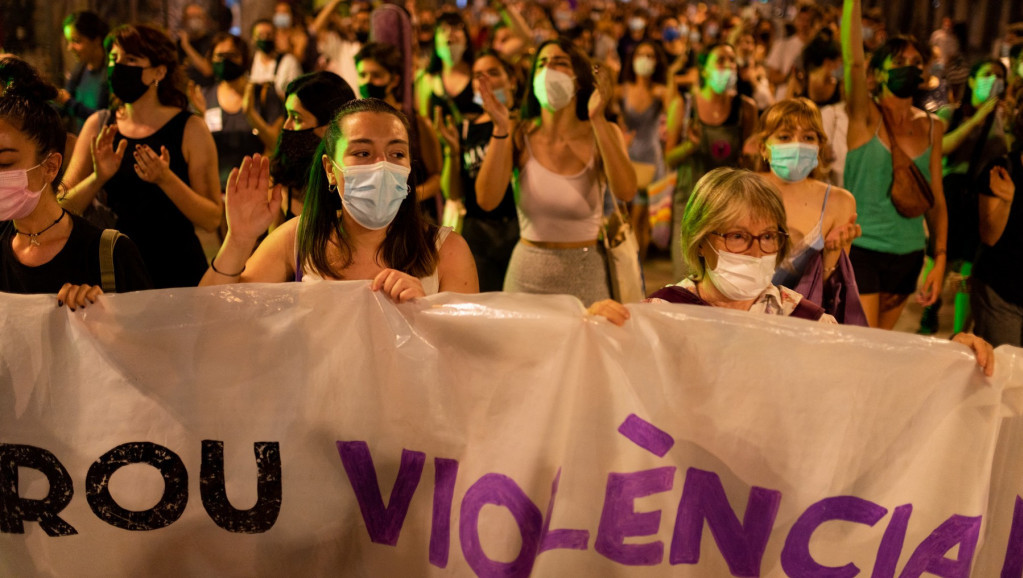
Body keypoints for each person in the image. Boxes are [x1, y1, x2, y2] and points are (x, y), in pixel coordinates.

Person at [586, 168, 995, 376]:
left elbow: (875, 371)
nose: (757, 249)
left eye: (768, 237)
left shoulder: (809, 321)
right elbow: (610, 384)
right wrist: (597, 334)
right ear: (701, 241)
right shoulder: (663, 312)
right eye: (738, 236)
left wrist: (950, 358)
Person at [199, 98, 478, 302]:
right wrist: (239, 240)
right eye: (363, 153)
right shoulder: (299, 239)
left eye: (396, 154)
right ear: (331, 169)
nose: (382, 166)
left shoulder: (447, 252)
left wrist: (426, 313)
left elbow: (466, 357)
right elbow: (213, 313)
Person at [475, 38, 637, 306]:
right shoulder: (518, 134)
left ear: (579, 79)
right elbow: (487, 199)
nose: (549, 70)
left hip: (586, 277)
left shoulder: (603, 132)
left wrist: (597, 118)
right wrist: (500, 128)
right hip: (526, 276)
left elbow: (626, 191)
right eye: (542, 64)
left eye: (560, 63)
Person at [62, 24, 222, 289]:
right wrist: (97, 178)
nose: (118, 66)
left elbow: (211, 219)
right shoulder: (99, 125)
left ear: (159, 71)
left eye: (131, 60)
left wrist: (166, 179)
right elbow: (62, 207)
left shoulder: (190, 128)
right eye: (114, 59)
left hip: (177, 273)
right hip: (113, 271)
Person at [0, 55, 151, 307]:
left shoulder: (109, 254)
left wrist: (103, 317)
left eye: (5, 163)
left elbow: (152, 338)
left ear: (50, 166)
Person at [841, 0, 949, 330]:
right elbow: (853, 62)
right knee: (863, 344)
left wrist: (939, 258)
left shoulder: (933, 126)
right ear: (878, 73)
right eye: (899, 61)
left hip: (909, 254)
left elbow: (937, 201)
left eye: (916, 62)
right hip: (862, 248)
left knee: (881, 349)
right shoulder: (864, 115)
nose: (909, 67)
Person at [754, 98, 864, 324]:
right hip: (744, 320)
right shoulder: (741, 190)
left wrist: (832, 253)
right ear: (763, 147)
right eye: (785, 136)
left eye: (808, 137)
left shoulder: (838, 202)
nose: (797, 145)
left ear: (819, 147)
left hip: (802, 328)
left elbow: (826, 293)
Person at [665, 42, 758, 279]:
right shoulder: (684, 105)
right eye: (720, 60)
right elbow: (669, 159)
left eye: (732, 61)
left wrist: (751, 155)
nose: (727, 66)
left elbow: (751, 164)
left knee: (723, 280)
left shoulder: (745, 108)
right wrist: (690, 146)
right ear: (704, 70)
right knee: (686, 278)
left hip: (729, 207)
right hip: (690, 203)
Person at [433, 50, 520, 292]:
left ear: (512, 80)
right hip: (477, 232)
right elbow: (453, 192)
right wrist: (451, 150)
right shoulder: (465, 129)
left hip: (516, 230)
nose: (484, 81)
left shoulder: (523, 126)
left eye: (493, 73)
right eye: (477, 75)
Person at [354, 42, 442, 204]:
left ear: (394, 80)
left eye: (376, 76)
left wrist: (406, 199)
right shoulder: (355, 124)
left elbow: (436, 177)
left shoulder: (416, 123)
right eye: (363, 75)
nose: (368, 82)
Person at [195, 32, 285, 189]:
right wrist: (201, 115)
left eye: (232, 55)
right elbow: (198, 150)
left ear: (244, 59)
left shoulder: (263, 93)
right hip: (217, 189)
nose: (225, 61)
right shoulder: (204, 96)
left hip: (257, 188)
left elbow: (275, 143)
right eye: (219, 56)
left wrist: (250, 114)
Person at [269, 71, 356, 225]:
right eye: (287, 115)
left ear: (331, 126)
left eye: (296, 118)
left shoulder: (354, 180)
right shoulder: (281, 179)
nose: (286, 126)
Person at [617, 39, 668, 259]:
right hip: (628, 155)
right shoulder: (623, 90)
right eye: (641, 54)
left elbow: (674, 113)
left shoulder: (660, 92)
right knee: (624, 216)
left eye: (650, 55)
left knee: (640, 217)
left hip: (650, 158)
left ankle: (638, 263)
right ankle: (627, 260)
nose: (645, 60)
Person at [972, 134, 1021, 347]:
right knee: (1001, 374)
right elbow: (989, 236)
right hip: (1001, 294)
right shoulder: (1003, 169)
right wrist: (1008, 202)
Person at [416, 12, 481, 124]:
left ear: (466, 39)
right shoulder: (426, 80)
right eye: (443, 30)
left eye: (456, 28)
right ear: (435, 41)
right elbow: (424, 124)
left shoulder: (479, 74)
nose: (450, 33)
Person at [57, 11, 110, 134]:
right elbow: (63, 104)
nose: (70, 48)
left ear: (96, 40)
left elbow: (103, 119)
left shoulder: (109, 74)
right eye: (69, 42)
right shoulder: (81, 69)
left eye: (76, 41)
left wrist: (68, 102)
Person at [248, 18, 303, 100]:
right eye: (260, 35)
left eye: (269, 34)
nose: (264, 38)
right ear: (253, 39)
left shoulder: (288, 62)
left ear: (275, 36)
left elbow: (298, 96)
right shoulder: (249, 64)